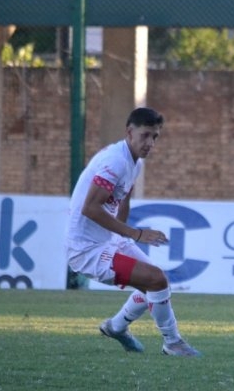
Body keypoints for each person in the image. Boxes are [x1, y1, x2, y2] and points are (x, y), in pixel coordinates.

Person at [65, 107, 200, 357]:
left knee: (156, 282)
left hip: (109, 240)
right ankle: (172, 343)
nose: (150, 143)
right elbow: (90, 208)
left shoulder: (133, 162)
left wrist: (122, 238)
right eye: (146, 135)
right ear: (130, 132)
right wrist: (135, 234)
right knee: (155, 280)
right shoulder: (115, 161)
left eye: (155, 137)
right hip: (87, 250)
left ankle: (115, 327)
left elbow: (122, 200)